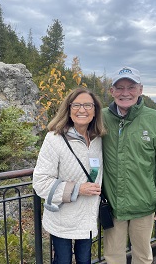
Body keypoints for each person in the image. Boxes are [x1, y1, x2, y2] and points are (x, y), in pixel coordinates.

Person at [102, 66, 156, 264]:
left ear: (140, 89)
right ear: (111, 91)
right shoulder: (100, 119)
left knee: (143, 257)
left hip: (144, 206)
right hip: (112, 206)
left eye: (131, 87)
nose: (125, 93)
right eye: (119, 88)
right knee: (113, 258)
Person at [33, 87, 106, 264]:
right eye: (77, 105)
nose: (82, 110)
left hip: (87, 216)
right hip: (62, 218)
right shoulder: (54, 139)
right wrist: (78, 189)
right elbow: (41, 182)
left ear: (95, 111)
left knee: (85, 260)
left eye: (88, 105)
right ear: (68, 109)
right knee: (63, 260)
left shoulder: (98, 139)